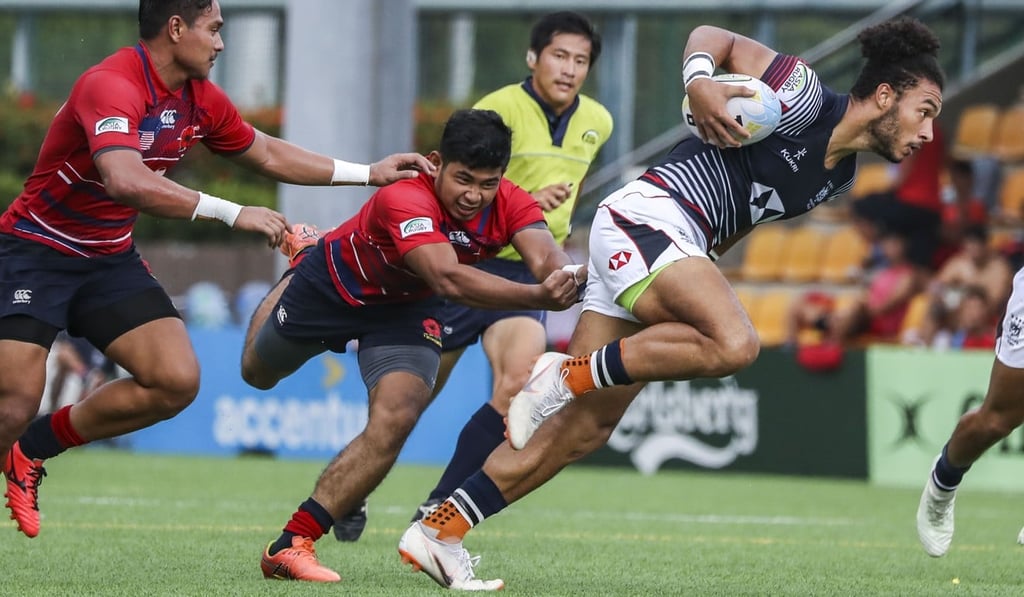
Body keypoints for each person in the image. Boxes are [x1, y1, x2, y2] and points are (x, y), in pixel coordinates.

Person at [395, 17, 945, 590]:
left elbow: (739, 220)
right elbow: (717, 36)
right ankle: (564, 374)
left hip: (676, 246)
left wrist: (698, 268)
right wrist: (699, 81)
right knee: (735, 342)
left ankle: (440, 529)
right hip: (650, 217)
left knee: (581, 430)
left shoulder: (839, 178)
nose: (928, 131)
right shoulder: (804, 96)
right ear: (885, 95)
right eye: (924, 110)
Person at [0, 0, 432, 540]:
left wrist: (368, 173)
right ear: (177, 28)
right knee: (14, 400)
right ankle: (19, 437)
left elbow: (267, 153)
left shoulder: (198, 97)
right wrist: (231, 212)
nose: (221, 42)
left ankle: (33, 450)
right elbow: (124, 179)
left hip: (107, 257)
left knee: (175, 381)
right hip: (35, 251)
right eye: (215, 28)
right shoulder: (110, 83)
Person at [250, 108, 582, 585]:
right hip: (333, 289)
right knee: (257, 374)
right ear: (435, 163)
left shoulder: (510, 202)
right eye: (463, 179)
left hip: (405, 310)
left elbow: (546, 255)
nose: (474, 195)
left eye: (487, 183)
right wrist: (537, 295)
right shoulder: (404, 196)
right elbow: (446, 276)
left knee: (399, 414)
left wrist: (567, 275)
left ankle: (291, 544)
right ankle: (302, 256)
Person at [330, 10, 613, 542]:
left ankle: (439, 503)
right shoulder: (500, 107)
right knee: (410, 399)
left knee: (517, 380)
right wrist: (524, 199)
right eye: (559, 55)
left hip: (526, 269)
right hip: (463, 262)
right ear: (533, 58)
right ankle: (354, 487)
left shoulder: (599, 119)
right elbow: (477, 178)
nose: (569, 69)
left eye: (580, 60)